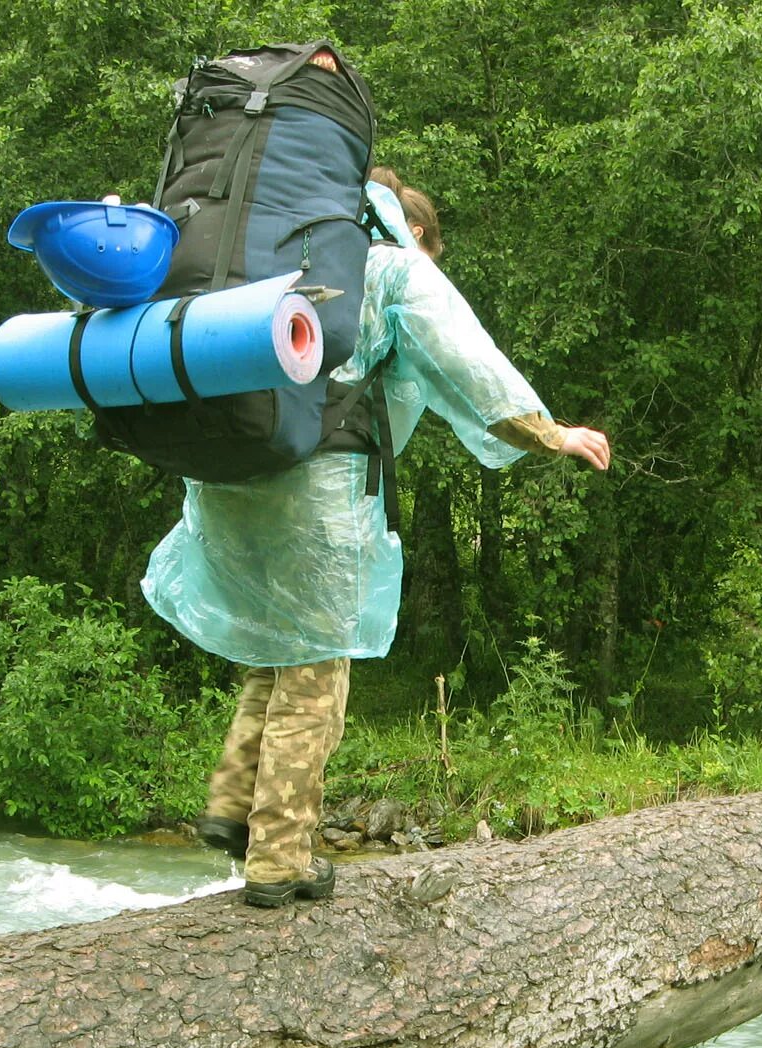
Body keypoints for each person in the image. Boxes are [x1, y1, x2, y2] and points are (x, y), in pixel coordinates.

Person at [142, 170, 610, 907]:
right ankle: (279, 858)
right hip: (315, 495)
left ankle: (233, 804)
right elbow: (467, 361)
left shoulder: (250, 258)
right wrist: (550, 433)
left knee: (273, 649)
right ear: (404, 224)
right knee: (316, 670)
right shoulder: (386, 267)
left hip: (225, 482)